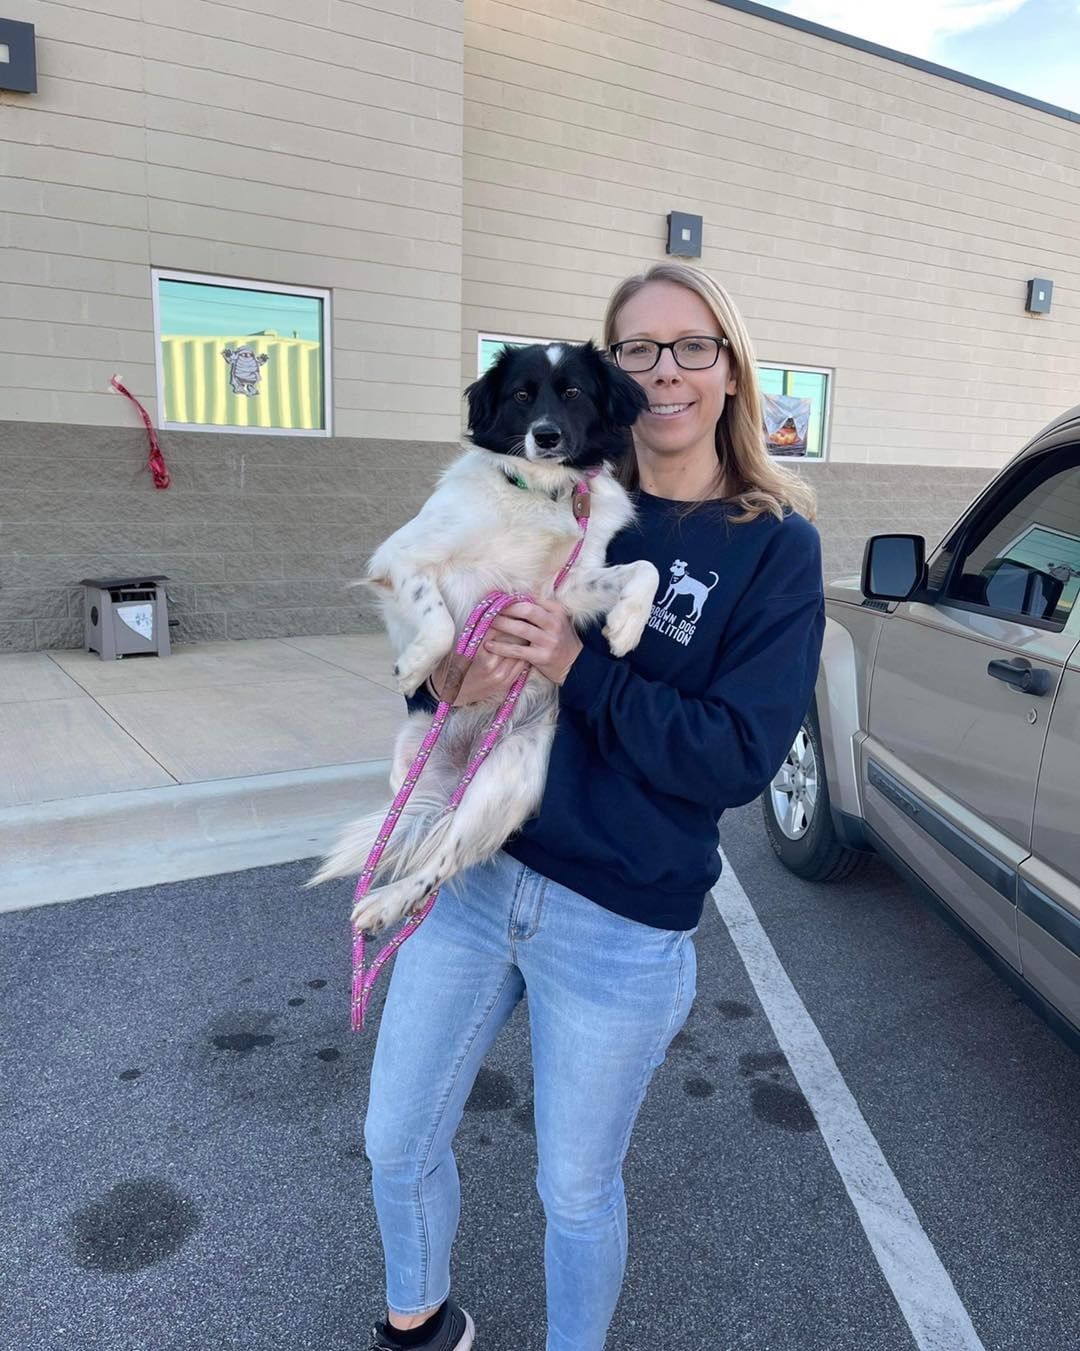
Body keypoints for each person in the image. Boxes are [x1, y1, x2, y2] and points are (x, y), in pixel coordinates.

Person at [363, 262, 825, 1351]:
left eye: (693, 346)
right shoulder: (552, 492)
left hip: (618, 917)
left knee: (574, 1189)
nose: (666, 370)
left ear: (729, 368)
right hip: (478, 873)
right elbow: (437, 644)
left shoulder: (771, 545)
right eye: (640, 349)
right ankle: (421, 1323)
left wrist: (580, 663)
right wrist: (443, 680)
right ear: (608, 371)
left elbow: (738, 755)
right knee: (394, 1138)